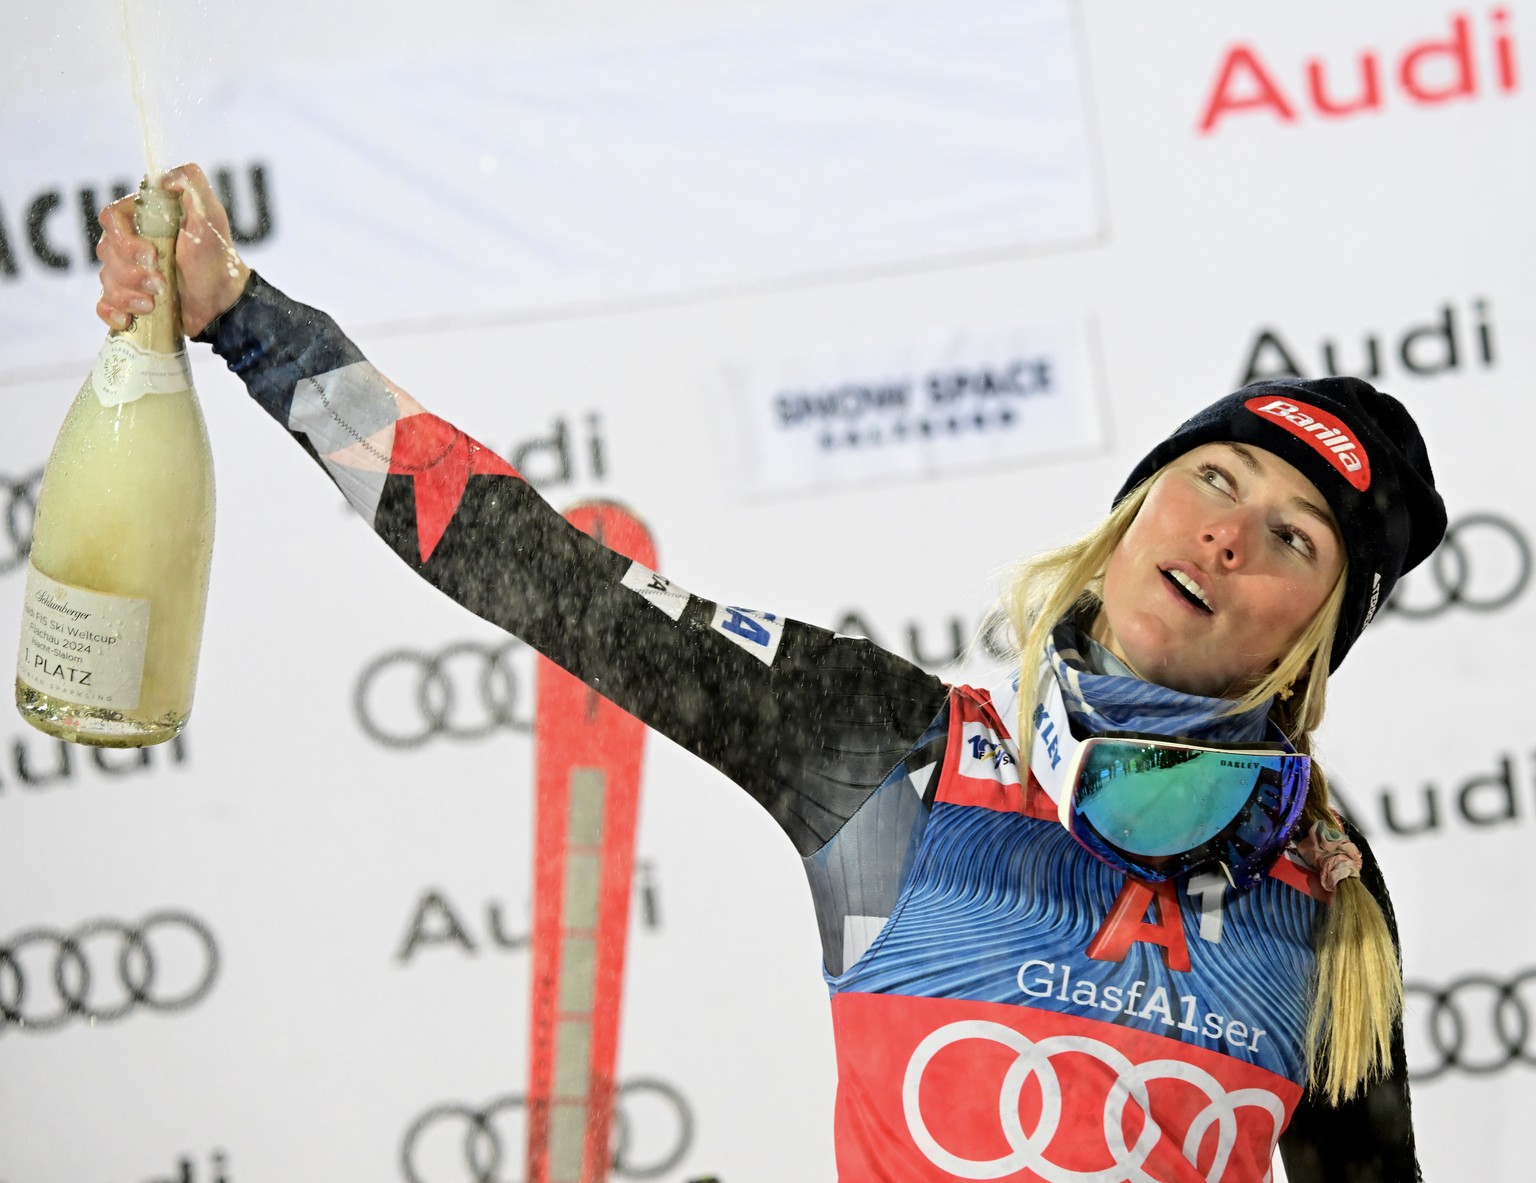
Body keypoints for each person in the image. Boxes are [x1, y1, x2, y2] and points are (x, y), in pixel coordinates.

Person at [96, 165, 1441, 1182]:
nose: (1224, 529)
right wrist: (243, 321)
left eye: (1289, 537)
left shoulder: (1324, 884)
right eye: (1211, 476)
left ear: (1308, 636)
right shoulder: (883, 748)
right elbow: (531, 568)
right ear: (1130, 515)